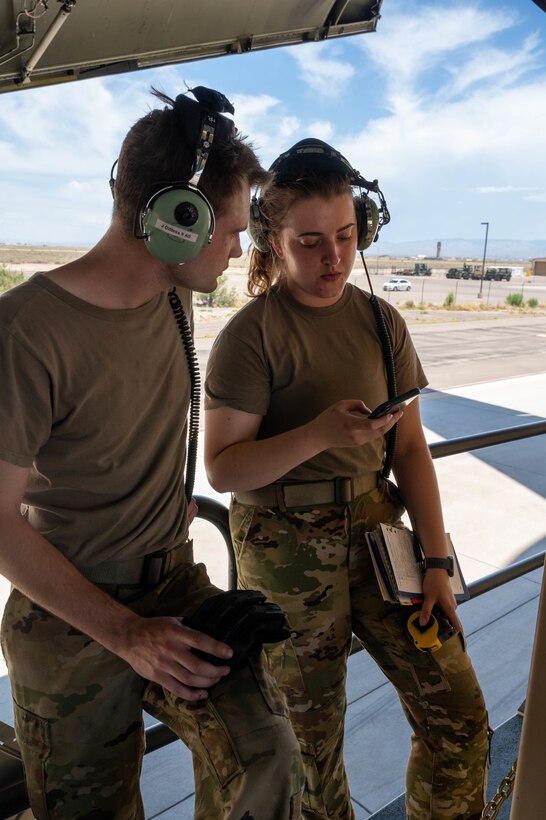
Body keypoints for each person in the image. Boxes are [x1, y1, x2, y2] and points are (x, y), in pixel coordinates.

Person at [0, 86, 305, 819]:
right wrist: (125, 633)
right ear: (176, 222)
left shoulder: (176, 293)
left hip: (173, 588)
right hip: (71, 614)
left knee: (272, 762)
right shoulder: (27, 331)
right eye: (231, 230)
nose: (241, 247)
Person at [204, 139, 491, 820]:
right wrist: (318, 436)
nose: (333, 257)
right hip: (282, 546)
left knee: (460, 721)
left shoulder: (381, 322)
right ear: (273, 242)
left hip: (376, 531)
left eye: (345, 235)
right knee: (311, 760)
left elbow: (413, 452)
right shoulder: (251, 337)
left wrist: (438, 560)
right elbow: (223, 469)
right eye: (310, 241)